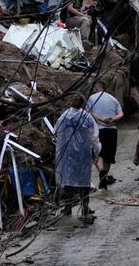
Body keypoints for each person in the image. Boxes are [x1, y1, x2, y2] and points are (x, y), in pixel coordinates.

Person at [55, 93, 100, 223]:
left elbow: (56, 131)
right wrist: (97, 150)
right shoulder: (86, 117)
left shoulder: (64, 116)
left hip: (68, 154)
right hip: (82, 153)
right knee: (83, 180)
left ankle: (69, 207)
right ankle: (84, 207)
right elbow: (94, 136)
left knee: (68, 179)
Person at [87, 81, 124, 189]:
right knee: (108, 155)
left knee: (98, 154)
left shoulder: (92, 98)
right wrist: (112, 119)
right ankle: (105, 176)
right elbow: (121, 114)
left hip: (98, 130)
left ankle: (102, 172)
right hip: (112, 130)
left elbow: (87, 112)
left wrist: (99, 118)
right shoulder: (113, 99)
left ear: (96, 87)